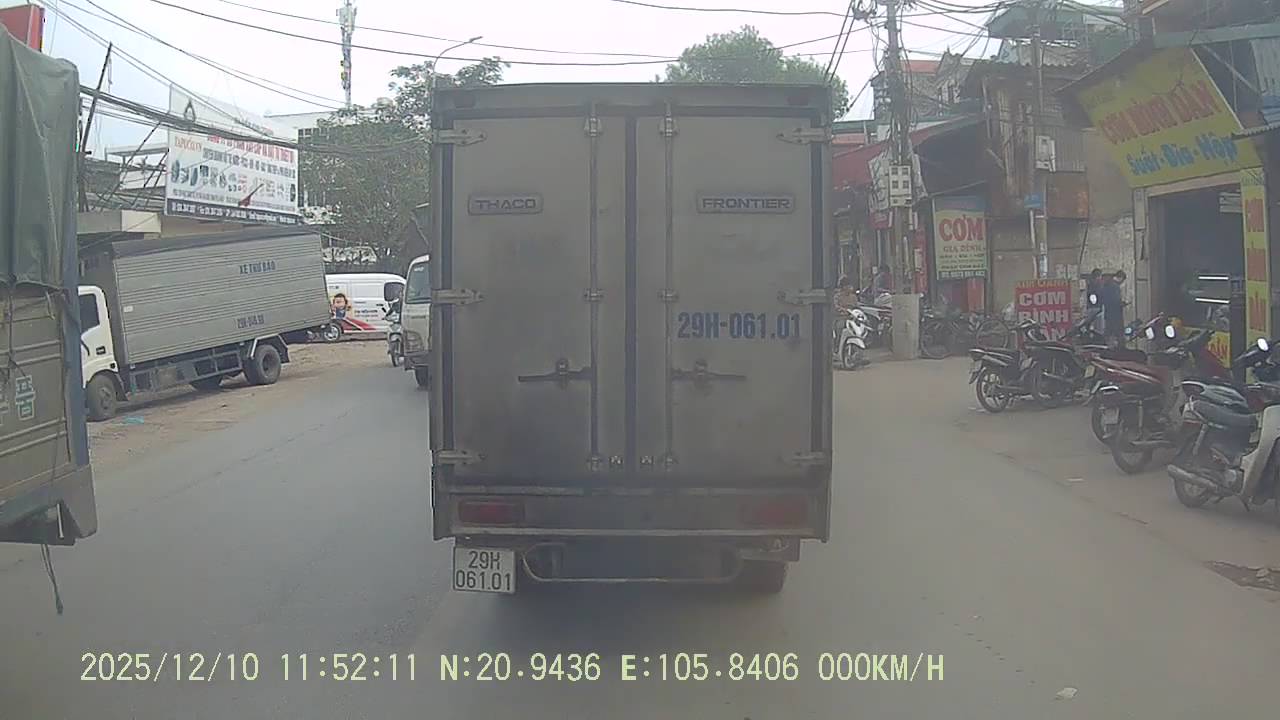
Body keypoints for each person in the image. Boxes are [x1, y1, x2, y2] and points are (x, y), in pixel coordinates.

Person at [1098, 270, 1127, 342]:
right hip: (1115, 314)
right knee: (1117, 334)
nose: (1122, 283)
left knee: (1108, 332)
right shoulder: (1115, 286)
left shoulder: (1107, 284)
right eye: (1122, 280)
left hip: (1108, 313)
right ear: (1120, 278)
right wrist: (1122, 303)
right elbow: (1116, 300)